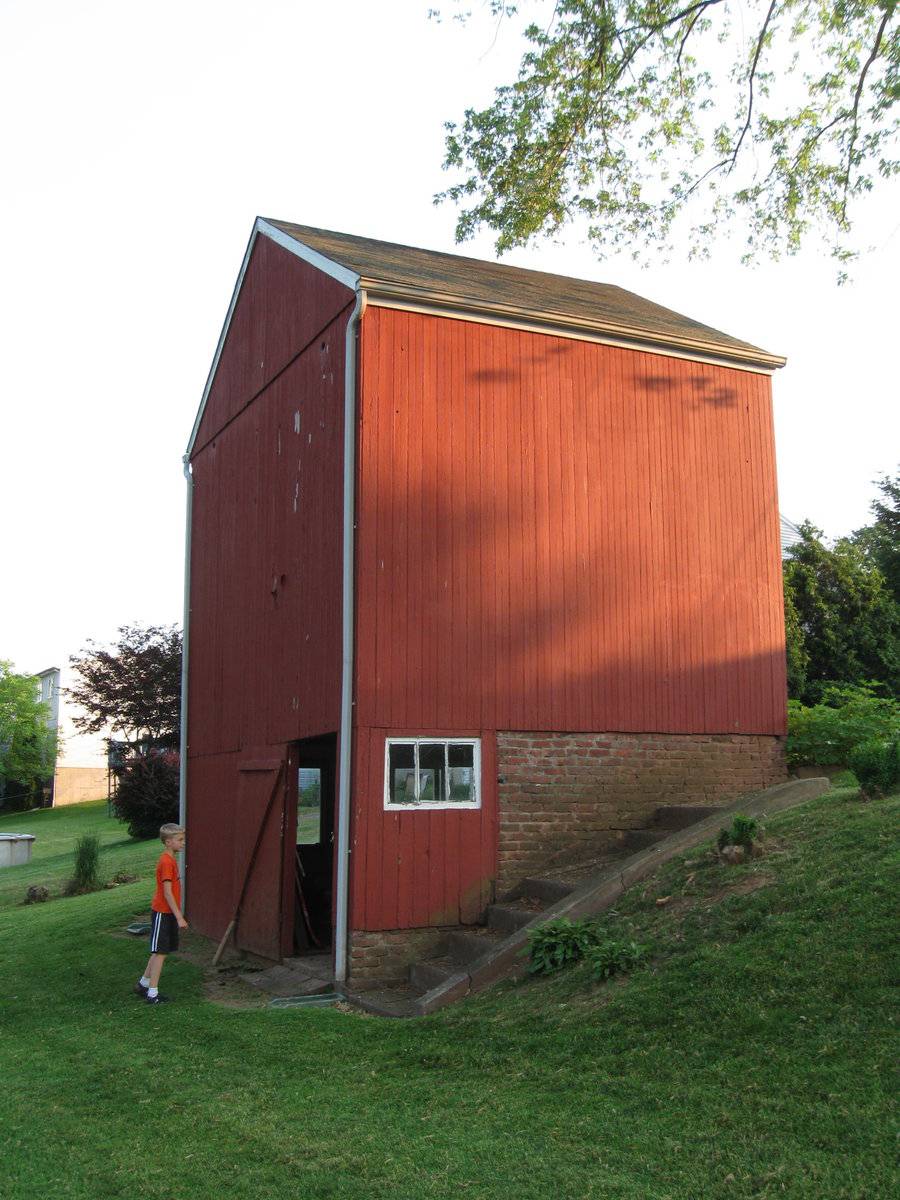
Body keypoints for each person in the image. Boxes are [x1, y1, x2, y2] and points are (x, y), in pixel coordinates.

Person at [135, 823, 187, 1004]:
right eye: (180, 840)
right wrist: (179, 917)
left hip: (168, 913)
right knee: (160, 953)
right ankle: (152, 994)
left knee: (160, 951)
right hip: (162, 913)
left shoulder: (170, 860)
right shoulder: (166, 862)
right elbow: (167, 892)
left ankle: (143, 984)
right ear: (168, 842)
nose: (183, 842)